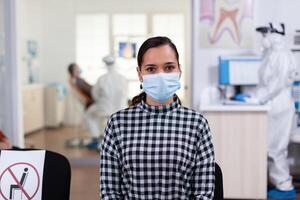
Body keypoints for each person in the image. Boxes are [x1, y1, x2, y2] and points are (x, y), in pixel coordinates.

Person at [100, 36, 215, 199]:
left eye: (169, 67)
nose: (160, 75)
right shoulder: (117, 124)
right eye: (151, 69)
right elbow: (109, 192)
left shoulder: (197, 124)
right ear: (140, 74)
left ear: (179, 70)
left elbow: (204, 193)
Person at [255, 24, 297, 199]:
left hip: (279, 106)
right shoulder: (274, 54)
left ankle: (285, 187)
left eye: (266, 34)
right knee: (273, 147)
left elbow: (277, 83)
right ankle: (281, 184)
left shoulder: (281, 55)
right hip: (275, 105)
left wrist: (261, 98)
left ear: (275, 34)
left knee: (275, 148)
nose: (263, 38)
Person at [84, 55, 128, 149]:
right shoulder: (123, 78)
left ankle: (96, 139)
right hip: (121, 110)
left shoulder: (101, 79)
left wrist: (100, 101)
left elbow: (95, 95)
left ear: (105, 65)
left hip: (104, 109)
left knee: (89, 115)